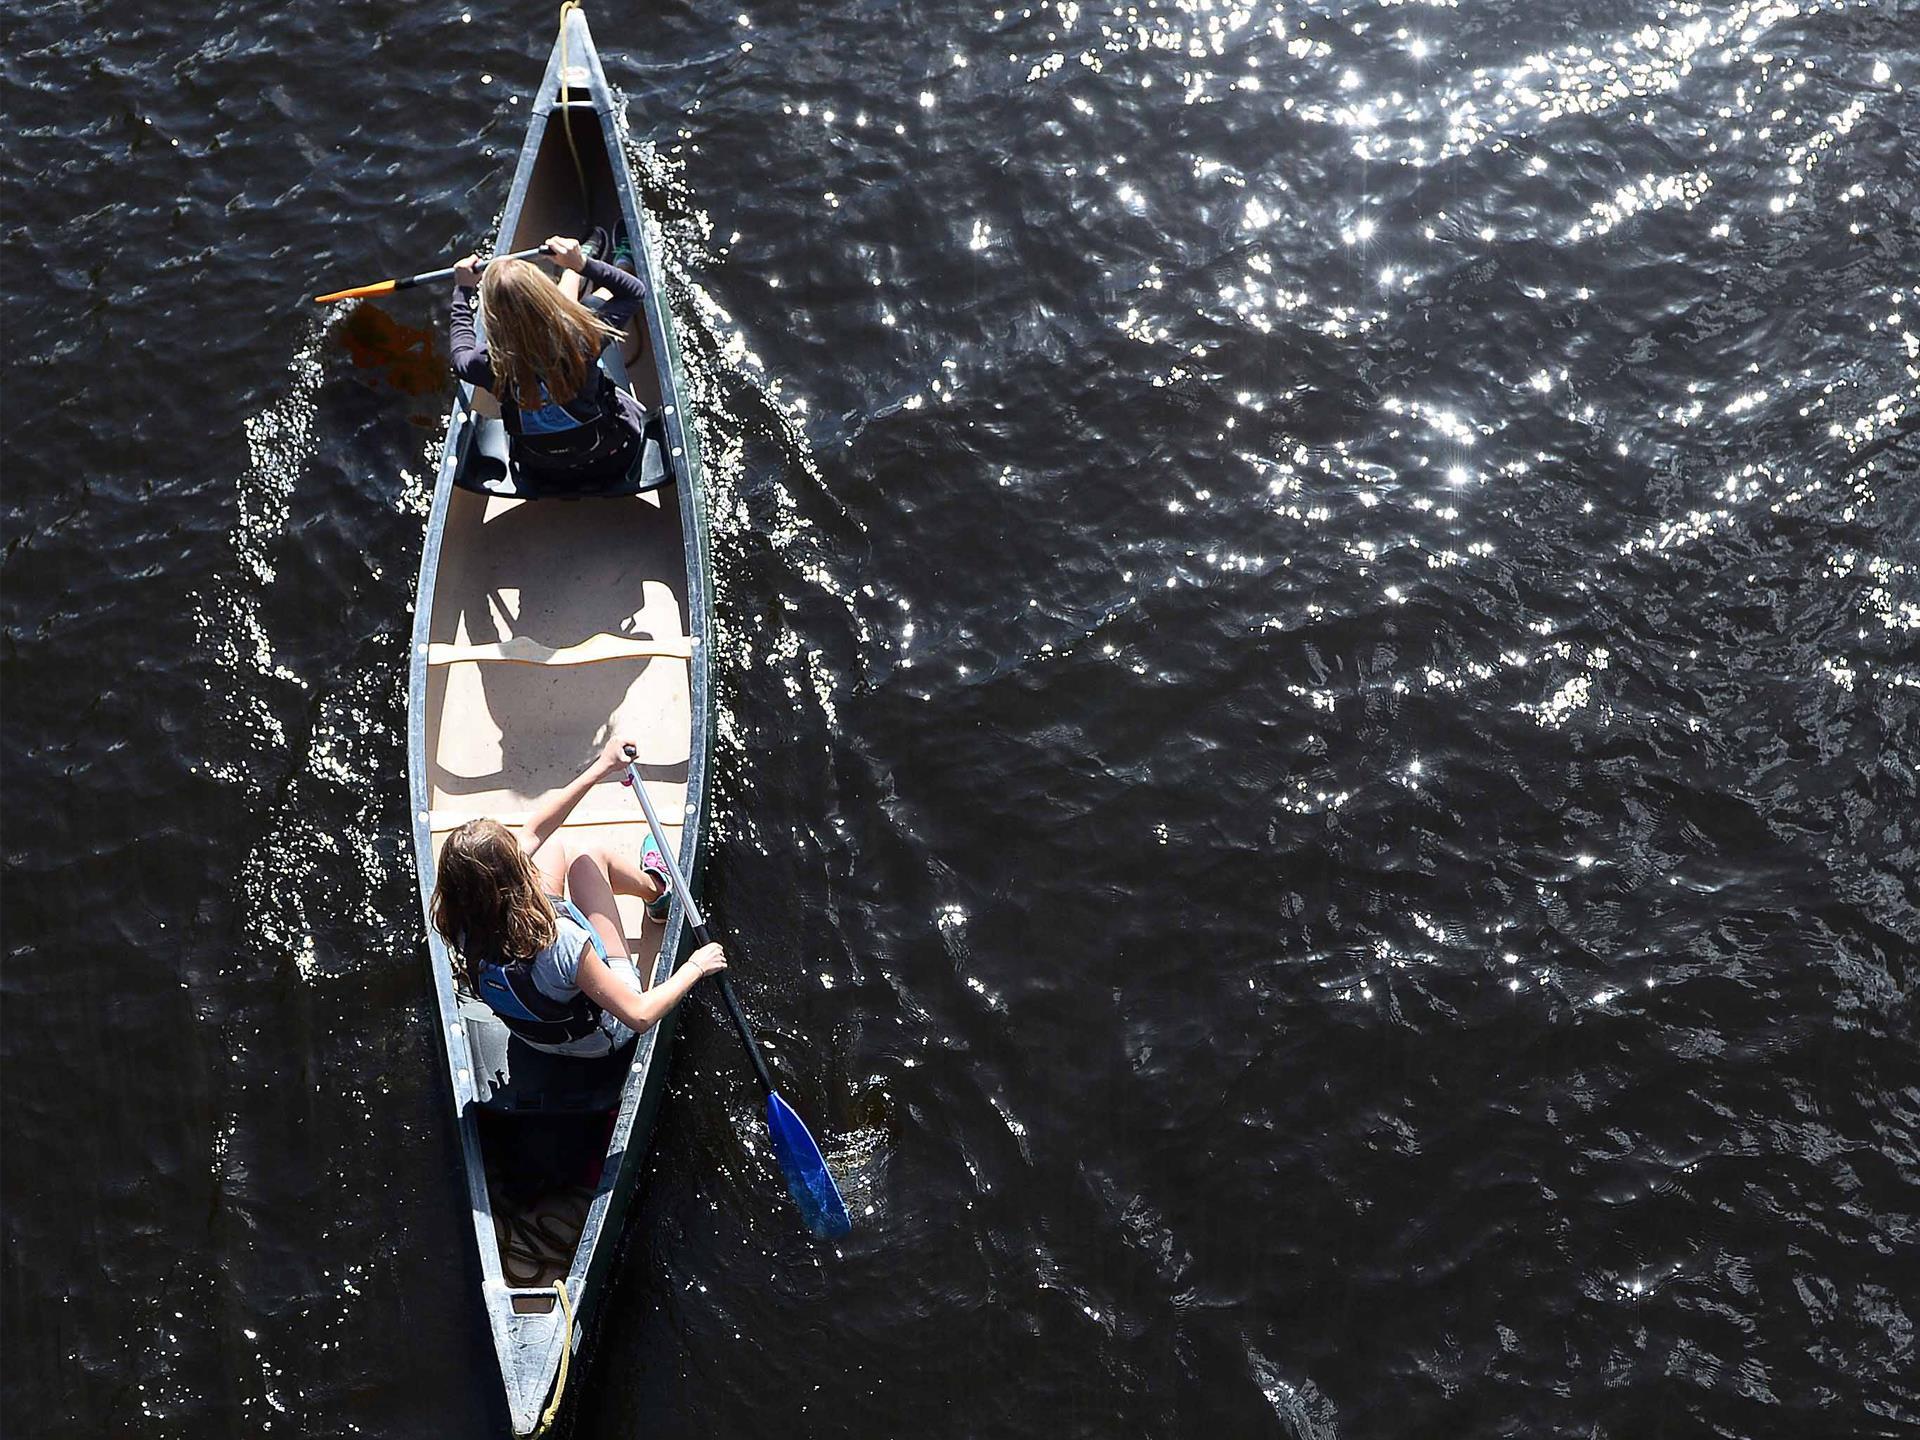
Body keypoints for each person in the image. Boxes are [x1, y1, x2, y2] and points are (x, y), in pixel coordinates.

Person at [431, 736, 723, 1056]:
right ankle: (658, 893)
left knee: (552, 848)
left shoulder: (455, 916)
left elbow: (535, 832)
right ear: (513, 877)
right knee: (588, 859)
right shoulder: (562, 940)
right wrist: (696, 966)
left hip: (534, 1038)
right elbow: (640, 1015)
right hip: (601, 1036)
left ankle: (653, 892)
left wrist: (603, 767)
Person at [448, 234, 649, 484]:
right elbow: (633, 292)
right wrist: (583, 263)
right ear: (545, 295)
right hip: (614, 459)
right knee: (595, 302)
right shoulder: (584, 335)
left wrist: (462, 290)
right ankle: (597, 265)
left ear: (492, 315)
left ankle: (572, 271)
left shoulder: (488, 363)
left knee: (580, 309)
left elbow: (459, 354)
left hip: (541, 471)